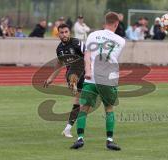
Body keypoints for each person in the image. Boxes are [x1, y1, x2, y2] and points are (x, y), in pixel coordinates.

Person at [70, 11, 125, 151]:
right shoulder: (121, 40)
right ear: (116, 24)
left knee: (84, 108)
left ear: (104, 22)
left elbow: (87, 55)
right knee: (109, 109)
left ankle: (80, 138)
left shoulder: (93, 35)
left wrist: (87, 71)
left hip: (91, 78)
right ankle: (109, 140)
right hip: (108, 79)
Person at [44, 24, 85, 138]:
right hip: (74, 73)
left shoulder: (76, 43)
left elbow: (88, 54)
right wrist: (51, 78)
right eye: (62, 32)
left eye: (66, 32)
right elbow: (59, 63)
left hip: (87, 73)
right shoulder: (59, 49)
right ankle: (73, 83)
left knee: (82, 104)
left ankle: (68, 129)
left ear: (69, 32)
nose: (64, 34)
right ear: (58, 34)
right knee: (79, 101)